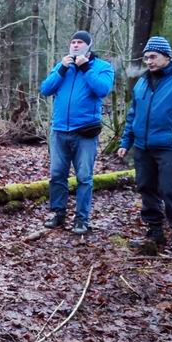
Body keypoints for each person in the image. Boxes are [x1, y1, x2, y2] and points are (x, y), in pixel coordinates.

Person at [117, 36, 172, 259]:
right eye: (146, 57)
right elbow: (133, 115)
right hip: (142, 147)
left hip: (169, 146)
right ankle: (155, 230)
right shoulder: (142, 82)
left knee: (170, 189)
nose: (149, 61)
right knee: (146, 187)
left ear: (167, 56)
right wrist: (126, 142)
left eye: (153, 56)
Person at [40, 30, 115, 234]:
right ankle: (58, 213)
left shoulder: (102, 67)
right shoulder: (63, 65)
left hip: (85, 132)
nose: (75, 45)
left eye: (80, 42)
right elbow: (45, 89)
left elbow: (102, 90)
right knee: (57, 175)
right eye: (73, 42)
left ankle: (82, 219)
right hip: (59, 130)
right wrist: (62, 69)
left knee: (84, 177)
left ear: (88, 46)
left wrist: (85, 67)